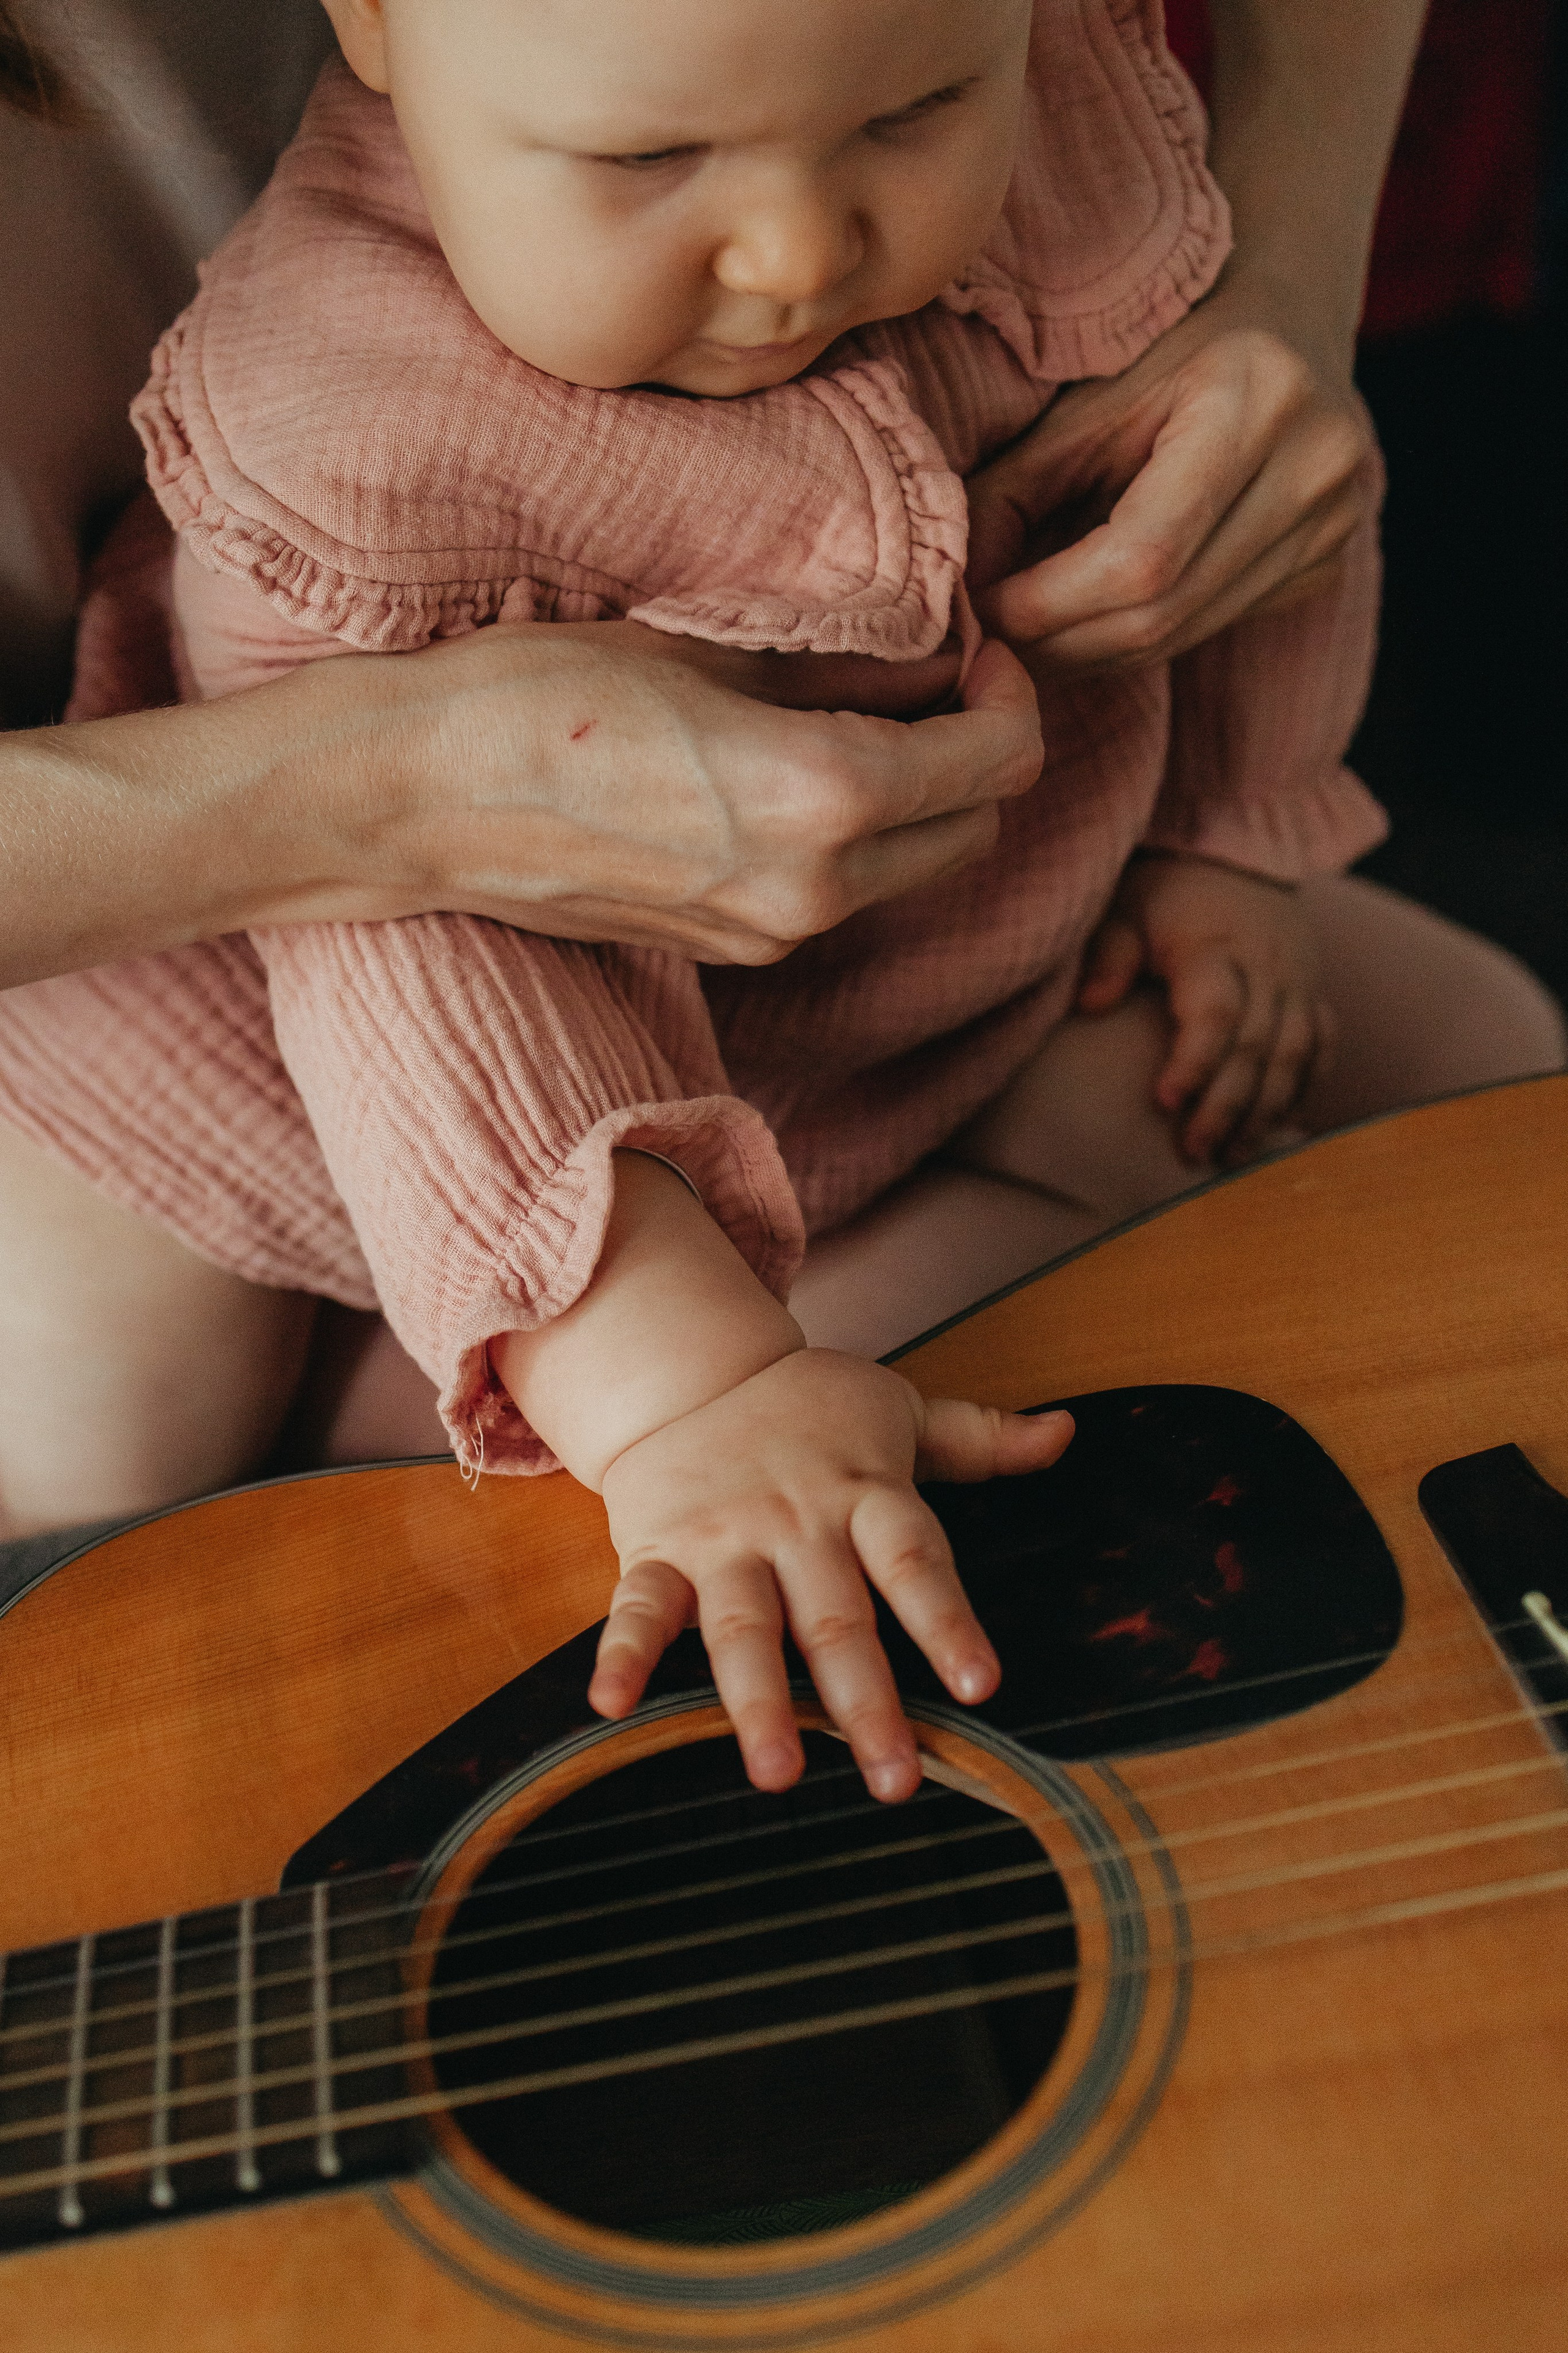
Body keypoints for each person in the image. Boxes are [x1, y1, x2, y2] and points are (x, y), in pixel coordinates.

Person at [1, 0, 1559, 1798]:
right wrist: (691, 1397)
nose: (800, 252)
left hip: (880, 978)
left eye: (915, 112)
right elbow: (416, 962)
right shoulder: (343, 434)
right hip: (301, 1048)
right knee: (117, 1436)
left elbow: (1231, 492)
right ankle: (443, 1398)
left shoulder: (1073, 128)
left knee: (1485, 1054)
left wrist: (1229, 837)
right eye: (650, 158)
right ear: (366, 20)